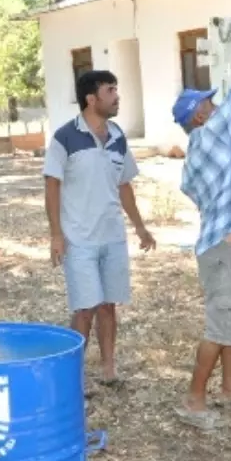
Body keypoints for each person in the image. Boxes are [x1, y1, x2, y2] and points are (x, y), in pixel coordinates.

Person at [173, 5, 231, 430]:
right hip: (226, 250)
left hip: (224, 248)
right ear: (198, 116)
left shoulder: (204, 152)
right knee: (220, 325)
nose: (216, 106)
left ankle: (230, 387)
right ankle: (194, 401)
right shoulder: (211, 135)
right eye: (208, 104)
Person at [43, 69, 156, 386]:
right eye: (110, 90)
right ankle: (73, 378)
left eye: (116, 89)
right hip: (78, 239)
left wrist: (141, 228)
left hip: (113, 238)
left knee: (108, 306)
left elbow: (124, 187)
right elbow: (52, 185)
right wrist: (56, 234)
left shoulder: (118, 136)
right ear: (91, 99)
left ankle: (109, 370)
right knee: (84, 309)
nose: (117, 96)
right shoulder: (65, 137)